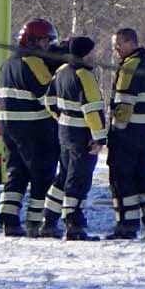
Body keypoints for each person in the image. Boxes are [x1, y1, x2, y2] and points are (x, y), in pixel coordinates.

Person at [0, 18, 61, 237]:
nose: (48, 46)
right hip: (35, 129)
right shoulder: (33, 62)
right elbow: (48, 95)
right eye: (45, 41)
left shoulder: (8, 63)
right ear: (32, 41)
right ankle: (37, 222)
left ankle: (8, 219)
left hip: (10, 128)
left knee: (16, 173)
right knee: (42, 174)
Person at [103, 27, 145, 241]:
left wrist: (115, 131)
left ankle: (126, 226)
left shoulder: (129, 67)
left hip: (127, 136)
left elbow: (123, 106)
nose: (116, 49)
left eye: (119, 44)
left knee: (122, 179)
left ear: (131, 43)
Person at [44, 34, 109, 242]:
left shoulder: (61, 71)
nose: (94, 55)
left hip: (64, 132)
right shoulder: (84, 75)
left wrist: (62, 118)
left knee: (63, 176)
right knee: (79, 179)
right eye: (92, 51)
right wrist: (99, 138)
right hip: (82, 135)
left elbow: (49, 101)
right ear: (86, 53)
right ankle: (74, 225)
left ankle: (48, 220)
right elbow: (92, 109)